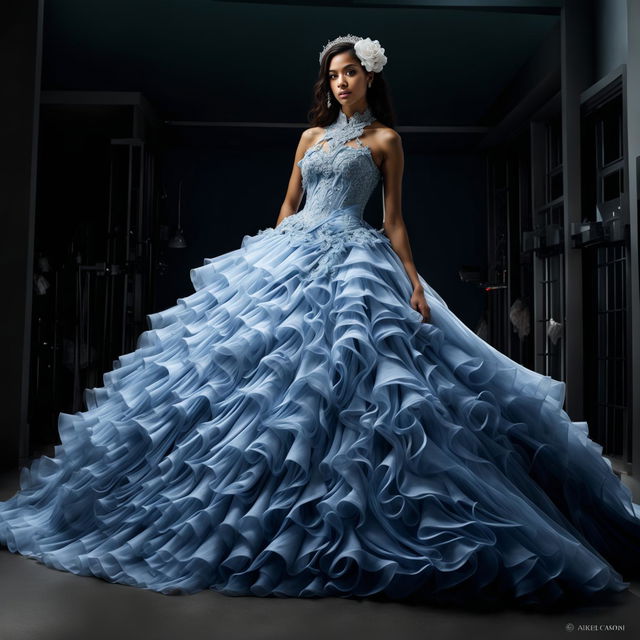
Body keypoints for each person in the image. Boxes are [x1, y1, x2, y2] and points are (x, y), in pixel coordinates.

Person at [1, 34, 639, 610]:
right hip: (291, 254)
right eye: (333, 74)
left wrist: (413, 283)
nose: (341, 82)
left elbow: (391, 221)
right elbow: (287, 204)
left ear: (369, 78)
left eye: (351, 72)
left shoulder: (386, 141)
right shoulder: (309, 139)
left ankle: (336, 507)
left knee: (359, 382)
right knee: (257, 387)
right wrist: (263, 269)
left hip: (356, 257)